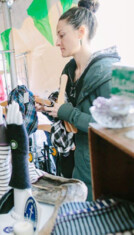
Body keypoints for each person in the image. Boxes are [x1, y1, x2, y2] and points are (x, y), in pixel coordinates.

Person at [37, 0, 120, 200]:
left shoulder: (108, 73)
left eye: (61, 35)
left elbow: (111, 128)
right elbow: (67, 118)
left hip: (103, 174)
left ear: (81, 32)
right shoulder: (69, 73)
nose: (56, 42)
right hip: (79, 168)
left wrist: (66, 112)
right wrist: (49, 108)